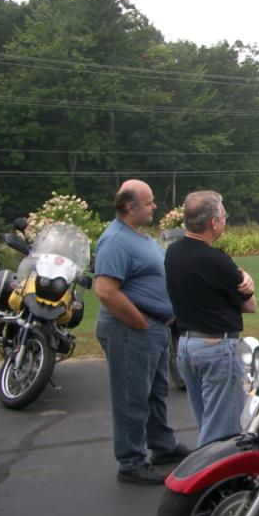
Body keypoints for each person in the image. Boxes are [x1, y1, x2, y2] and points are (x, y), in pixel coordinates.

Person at [94, 179, 190, 485]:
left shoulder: (138, 236)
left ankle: (162, 446)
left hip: (154, 329)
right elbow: (105, 290)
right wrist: (139, 322)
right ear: (129, 207)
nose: (154, 206)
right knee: (131, 397)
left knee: (155, 393)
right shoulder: (115, 241)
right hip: (130, 330)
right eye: (149, 203)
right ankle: (131, 461)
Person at [165, 191, 257, 447]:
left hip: (186, 346)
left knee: (207, 423)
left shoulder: (173, 253)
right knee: (223, 434)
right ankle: (208, 472)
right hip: (217, 349)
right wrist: (247, 279)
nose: (225, 220)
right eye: (224, 216)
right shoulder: (216, 260)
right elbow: (250, 305)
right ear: (214, 223)